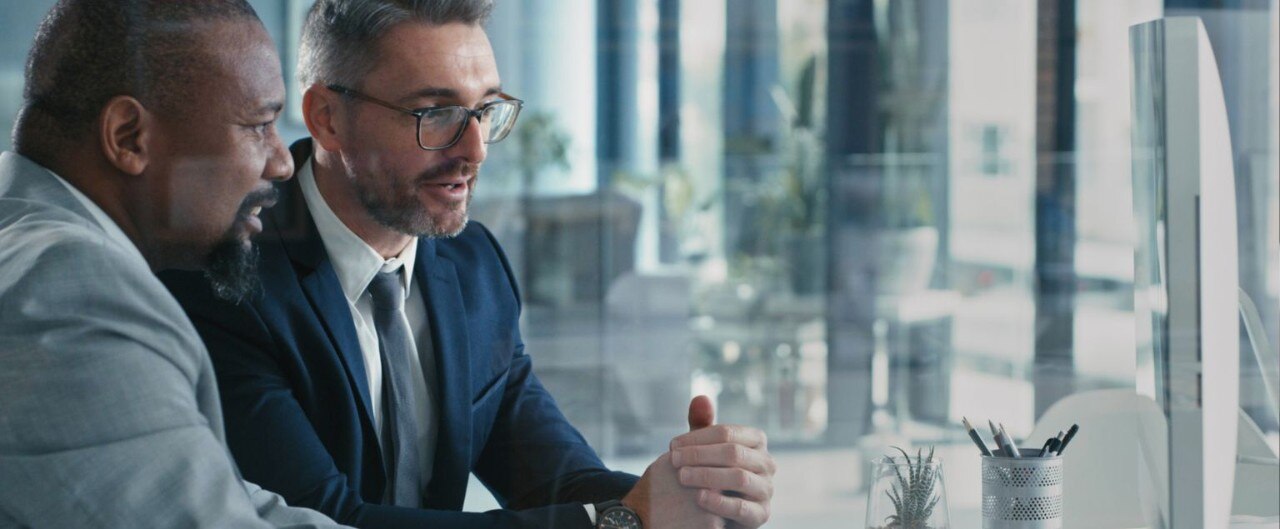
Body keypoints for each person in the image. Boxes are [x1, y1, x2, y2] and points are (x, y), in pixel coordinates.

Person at [160, 0, 776, 528]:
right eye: (435, 114)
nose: (475, 149)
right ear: (327, 118)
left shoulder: (473, 264)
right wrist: (623, 520)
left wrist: (689, 492)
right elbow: (327, 518)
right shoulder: (223, 274)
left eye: (485, 109)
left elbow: (553, 476)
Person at [0, 1, 353, 527]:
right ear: (128, 137)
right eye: (259, 125)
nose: (282, 163)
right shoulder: (69, 291)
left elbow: (230, 501)